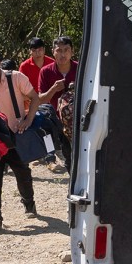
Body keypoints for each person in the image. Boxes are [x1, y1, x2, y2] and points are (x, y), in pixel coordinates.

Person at [0, 47, 41, 236]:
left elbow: (34, 98)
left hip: (16, 135)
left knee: (23, 173)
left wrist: (28, 119)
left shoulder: (16, 78)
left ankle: (29, 203)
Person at [38, 35, 79, 174]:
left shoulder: (81, 69)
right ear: (53, 51)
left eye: (66, 50)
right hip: (57, 120)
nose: (63, 54)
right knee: (67, 154)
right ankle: (52, 160)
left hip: (80, 119)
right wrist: (53, 89)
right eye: (59, 50)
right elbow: (41, 99)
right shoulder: (46, 71)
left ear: (72, 51)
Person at [19, 37, 55, 166]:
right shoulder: (24, 66)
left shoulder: (52, 63)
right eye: (34, 50)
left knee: (48, 129)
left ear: (44, 50)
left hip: (49, 102)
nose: (37, 53)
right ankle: (38, 154)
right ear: (30, 51)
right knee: (33, 128)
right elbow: (21, 88)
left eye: (40, 50)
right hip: (30, 102)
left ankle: (51, 156)